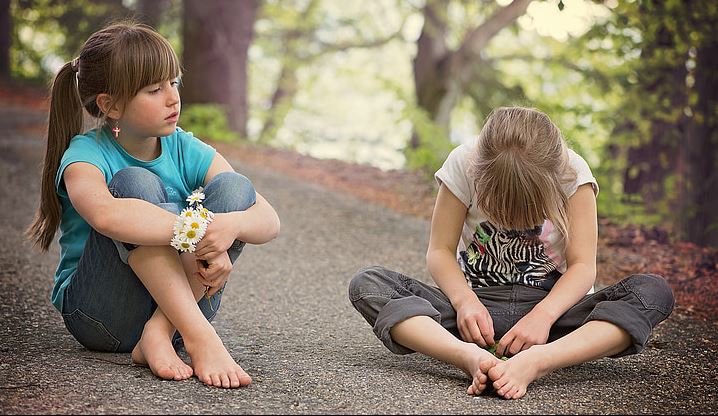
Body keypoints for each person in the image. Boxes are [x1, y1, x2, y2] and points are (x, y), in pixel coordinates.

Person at [348, 106, 674, 399]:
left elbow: (582, 267)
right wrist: (464, 302)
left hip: (557, 314)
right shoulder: (464, 163)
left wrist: (543, 317)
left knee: (652, 292)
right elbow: (440, 251)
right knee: (369, 284)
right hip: (475, 312)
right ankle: (466, 356)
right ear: (481, 173)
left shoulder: (573, 173)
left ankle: (538, 361)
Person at [26, 21, 280, 389]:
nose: (172, 97)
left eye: (173, 83)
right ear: (109, 105)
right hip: (103, 316)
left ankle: (159, 333)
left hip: (179, 312)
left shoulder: (183, 146)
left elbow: (268, 219)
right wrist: (198, 234)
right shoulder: (85, 155)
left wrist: (230, 228)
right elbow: (106, 215)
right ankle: (201, 337)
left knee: (234, 188)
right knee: (134, 184)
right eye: (154, 89)